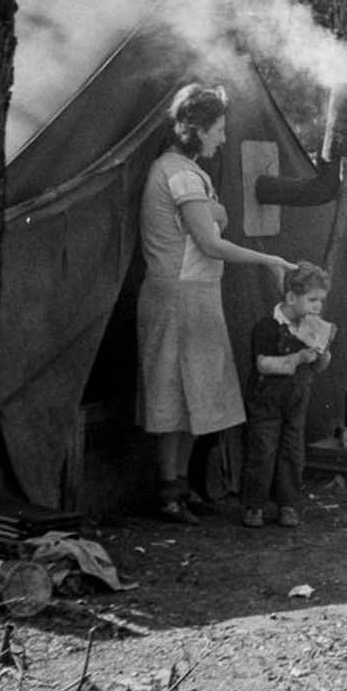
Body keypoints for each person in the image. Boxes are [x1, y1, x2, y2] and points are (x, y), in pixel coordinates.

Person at [137, 83, 294, 523]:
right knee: (172, 394)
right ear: (195, 129)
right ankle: (168, 493)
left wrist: (216, 214)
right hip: (178, 295)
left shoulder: (187, 171)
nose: (223, 138)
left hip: (197, 294)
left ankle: (181, 487)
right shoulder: (180, 174)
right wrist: (268, 258)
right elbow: (210, 241)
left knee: (196, 396)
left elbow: (215, 222)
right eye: (219, 129)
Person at [243, 261, 334, 530]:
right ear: (291, 297)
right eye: (312, 299)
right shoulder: (268, 326)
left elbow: (318, 367)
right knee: (263, 450)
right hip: (267, 400)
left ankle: (288, 504)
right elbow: (263, 364)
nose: (318, 306)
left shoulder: (312, 328)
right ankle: (255, 505)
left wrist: (322, 354)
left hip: (296, 402)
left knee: (293, 452)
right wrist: (297, 357)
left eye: (321, 301)